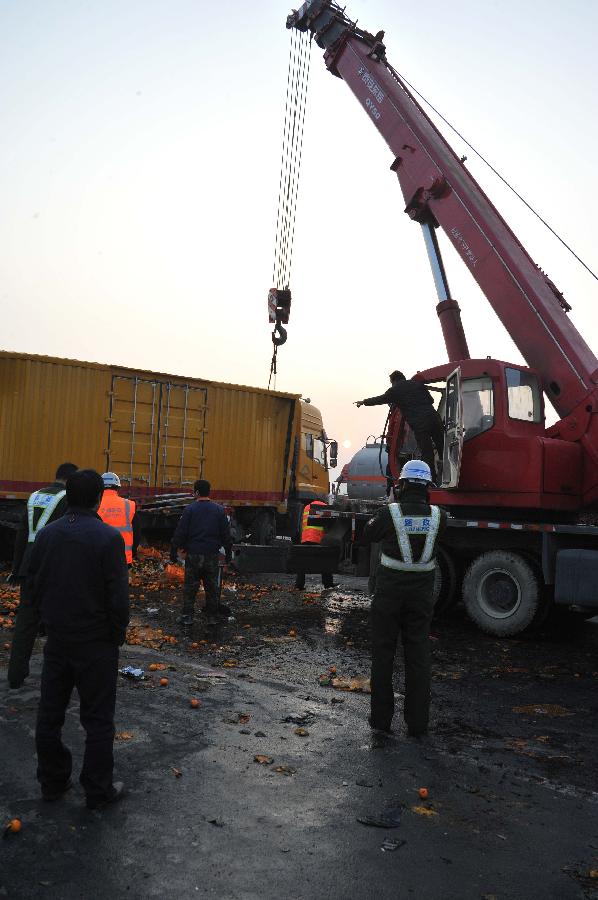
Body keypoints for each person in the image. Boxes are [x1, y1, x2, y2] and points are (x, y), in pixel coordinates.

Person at [27, 469, 130, 808]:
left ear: (67, 496)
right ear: (99, 498)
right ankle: (98, 790)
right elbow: (117, 597)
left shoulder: (47, 536)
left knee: (50, 714)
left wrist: (45, 624)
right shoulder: (107, 539)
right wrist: (115, 635)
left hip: (58, 639)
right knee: (98, 720)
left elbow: (35, 585)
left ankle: (52, 781)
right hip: (95, 642)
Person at [363, 459, 446, 738]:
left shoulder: (390, 514)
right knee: (418, 656)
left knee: (383, 656)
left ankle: (381, 721)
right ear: (427, 488)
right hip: (421, 598)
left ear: (402, 486)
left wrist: (388, 506)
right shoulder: (439, 516)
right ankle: (418, 723)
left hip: (389, 597)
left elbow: (368, 533)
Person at [7, 461, 78, 689]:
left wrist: (16, 569)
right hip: (54, 569)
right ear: (71, 480)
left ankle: (15, 676)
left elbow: (21, 535)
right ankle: (57, 679)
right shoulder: (67, 498)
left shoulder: (34, 496)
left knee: (25, 623)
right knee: (60, 623)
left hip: (29, 566)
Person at [355, 371, 445, 481]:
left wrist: (363, 402)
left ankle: (432, 480)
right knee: (442, 447)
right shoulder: (417, 384)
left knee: (427, 452)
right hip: (434, 418)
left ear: (393, 381)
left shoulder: (395, 390)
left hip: (420, 424)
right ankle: (447, 473)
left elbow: (380, 399)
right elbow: (431, 400)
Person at [170, 479, 233, 626]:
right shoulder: (219, 510)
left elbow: (181, 532)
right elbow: (226, 534)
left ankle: (187, 616)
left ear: (197, 492)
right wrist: (228, 552)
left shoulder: (190, 510)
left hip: (194, 555)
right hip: (211, 555)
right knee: (211, 587)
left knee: (190, 586)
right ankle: (211, 617)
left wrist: (174, 550)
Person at [98, 472, 140, 566]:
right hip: (123, 558)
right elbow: (136, 533)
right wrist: (132, 553)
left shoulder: (94, 505)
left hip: (100, 558)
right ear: (117, 488)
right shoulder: (129, 505)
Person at [294, 500, 334, 590]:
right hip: (318, 539)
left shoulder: (306, 507)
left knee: (302, 562)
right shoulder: (325, 506)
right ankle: (328, 584)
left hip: (305, 539)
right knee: (326, 560)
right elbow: (328, 526)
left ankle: (299, 585)